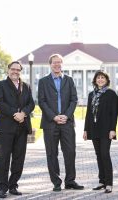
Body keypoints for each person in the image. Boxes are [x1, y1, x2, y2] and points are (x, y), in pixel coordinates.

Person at [38, 53, 84, 192]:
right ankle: (56, 182)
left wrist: (66, 115)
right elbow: (42, 101)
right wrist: (54, 117)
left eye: (59, 62)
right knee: (52, 153)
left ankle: (70, 181)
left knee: (70, 152)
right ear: (50, 64)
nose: (57, 65)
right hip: (50, 123)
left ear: (62, 64)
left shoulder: (69, 80)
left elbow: (74, 99)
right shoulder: (43, 81)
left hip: (67, 123)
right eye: (54, 62)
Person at [0, 61, 35, 198]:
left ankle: (13, 185)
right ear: (8, 70)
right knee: (4, 157)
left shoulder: (27, 86)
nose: (15, 72)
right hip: (6, 127)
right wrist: (14, 113)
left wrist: (23, 113)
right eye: (13, 69)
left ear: (20, 71)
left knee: (19, 158)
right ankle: (2, 187)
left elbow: (31, 103)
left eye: (18, 70)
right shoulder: (0, 85)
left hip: (22, 127)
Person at [83, 70, 117, 193]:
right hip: (94, 129)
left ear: (107, 80)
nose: (100, 80)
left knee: (105, 154)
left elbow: (114, 113)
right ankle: (102, 181)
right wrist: (86, 130)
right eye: (98, 78)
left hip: (106, 129)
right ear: (95, 80)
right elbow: (88, 113)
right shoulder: (92, 94)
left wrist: (113, 129)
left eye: (103, 77)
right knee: (98, 155)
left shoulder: (111, 94)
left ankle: (109, 183)